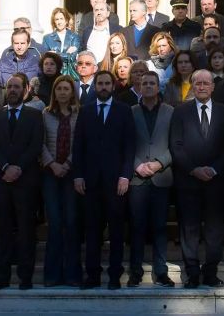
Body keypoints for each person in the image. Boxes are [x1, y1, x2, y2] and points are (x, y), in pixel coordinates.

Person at [169, 69, 224, 288]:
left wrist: (214, 169)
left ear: (213, 86)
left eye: (207, 83)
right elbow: (176, 146)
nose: (202, 87)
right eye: (198, 83)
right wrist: (193, 169)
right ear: (192, 86)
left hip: (216, 182)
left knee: (215, 229)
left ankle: (211, 273)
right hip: (188, 181)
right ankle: (192, 273)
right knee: (189, 229)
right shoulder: (180, 111)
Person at [72, 70, 136, 290]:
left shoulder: (124, 111)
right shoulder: (86, 111)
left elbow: (129, 147)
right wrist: (78, 175)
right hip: (90, 181)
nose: (103, 87)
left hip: (116, 182)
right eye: (100, 83)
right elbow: (78, 146)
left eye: (107, 83)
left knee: (117, 231)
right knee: (92, 230)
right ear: (95, 85)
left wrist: (125, 175)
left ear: (113, 86)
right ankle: (93, 275)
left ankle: (115, 275)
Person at [0, 73, 44, 291]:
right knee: (2, 230)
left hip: (25, 181)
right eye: (10, 87)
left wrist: (18, 167)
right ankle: (2, 276)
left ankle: (25, 277)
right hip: (1, 182)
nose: (13, 90)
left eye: (17, 87)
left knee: (27, 230)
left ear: (26, 90)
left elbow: (36, 145)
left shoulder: (34, 116)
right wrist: (5, 167)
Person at [127, 71, 176, 288]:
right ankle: (135, 272)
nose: (147, 86)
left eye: (152, 83)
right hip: (137, 178)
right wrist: (137, 164)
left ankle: (161, 271)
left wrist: (159, 163)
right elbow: (124, 143)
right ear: (138, 86)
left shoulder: (171, 112)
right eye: (144, 83)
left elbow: (176, 143)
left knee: (159, 227)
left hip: (161, 176)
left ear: (158, 87)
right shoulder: (130, 112)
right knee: (136, 227)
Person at [40, 75, 82, 287]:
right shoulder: (45, 115)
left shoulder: (79, 115)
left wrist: (67, 164)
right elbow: (40, 143)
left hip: (72, 174)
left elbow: (82, 143)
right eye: (59, 89)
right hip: (50, 174)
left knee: (72, 223)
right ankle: (52, 274)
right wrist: (52, 164)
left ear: (72, 92)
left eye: (67, 89)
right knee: (55, 224)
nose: (63, 92)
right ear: (54, 92)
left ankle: (73, 274)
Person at [43, 7, 82, 78]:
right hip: (52, 75)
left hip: (69, 75)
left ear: (66, 20)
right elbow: (46, 58)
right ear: (54, 21)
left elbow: (72, 58)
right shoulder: (47, 38)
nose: (59, 22)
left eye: (61, 19)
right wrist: (66, 54)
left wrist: (55, 54)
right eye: (57, 19)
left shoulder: (74, 37)